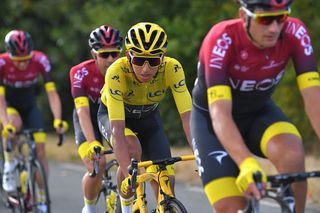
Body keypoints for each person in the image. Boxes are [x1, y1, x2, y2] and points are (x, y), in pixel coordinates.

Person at [190, 0, 320, 212]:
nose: (274, 28)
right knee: (231, 206)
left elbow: (315, 100)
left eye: (281, 18)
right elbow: (220, 114)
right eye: (265, 19)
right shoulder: (221, 38)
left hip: (258, 113)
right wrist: (246, 162)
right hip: (212, 124)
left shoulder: (295, 32)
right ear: (244, 15)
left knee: (292, 153)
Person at [96, 22, 192, 213]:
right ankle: (125, 207)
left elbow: (189, 119)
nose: (146, 69)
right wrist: (127, 172)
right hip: (116, 118)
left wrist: (200, 153)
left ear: (163, 58)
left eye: (154, 61)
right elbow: (117, 129)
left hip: (149, 119)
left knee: (166, 180)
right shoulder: (116, 73)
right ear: (128, 56)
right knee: (132, 150)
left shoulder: (172, 69)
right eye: (139, 60)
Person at [0, 30, 68, 205]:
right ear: (10, 54)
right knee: (13, 125)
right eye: (18, 61)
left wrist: (57, 119)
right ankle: (9, 165)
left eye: (26, 60)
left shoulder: (40, 60)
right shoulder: (2, 63)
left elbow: (52, 93)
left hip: (30, 107)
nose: (23, 65)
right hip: (9, 106)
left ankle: (42, 196)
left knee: (40, 151)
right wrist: (6, 124)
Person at [69, 25, 123, 213]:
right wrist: (92, 142)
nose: (110, 59)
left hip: (111, 118)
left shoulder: (127, 70)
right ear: (94, 55)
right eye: (104, 55)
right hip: (87, 121)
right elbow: (82, 111)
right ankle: (89, 207)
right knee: (97, 164)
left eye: (114, 54)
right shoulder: (80, 72)